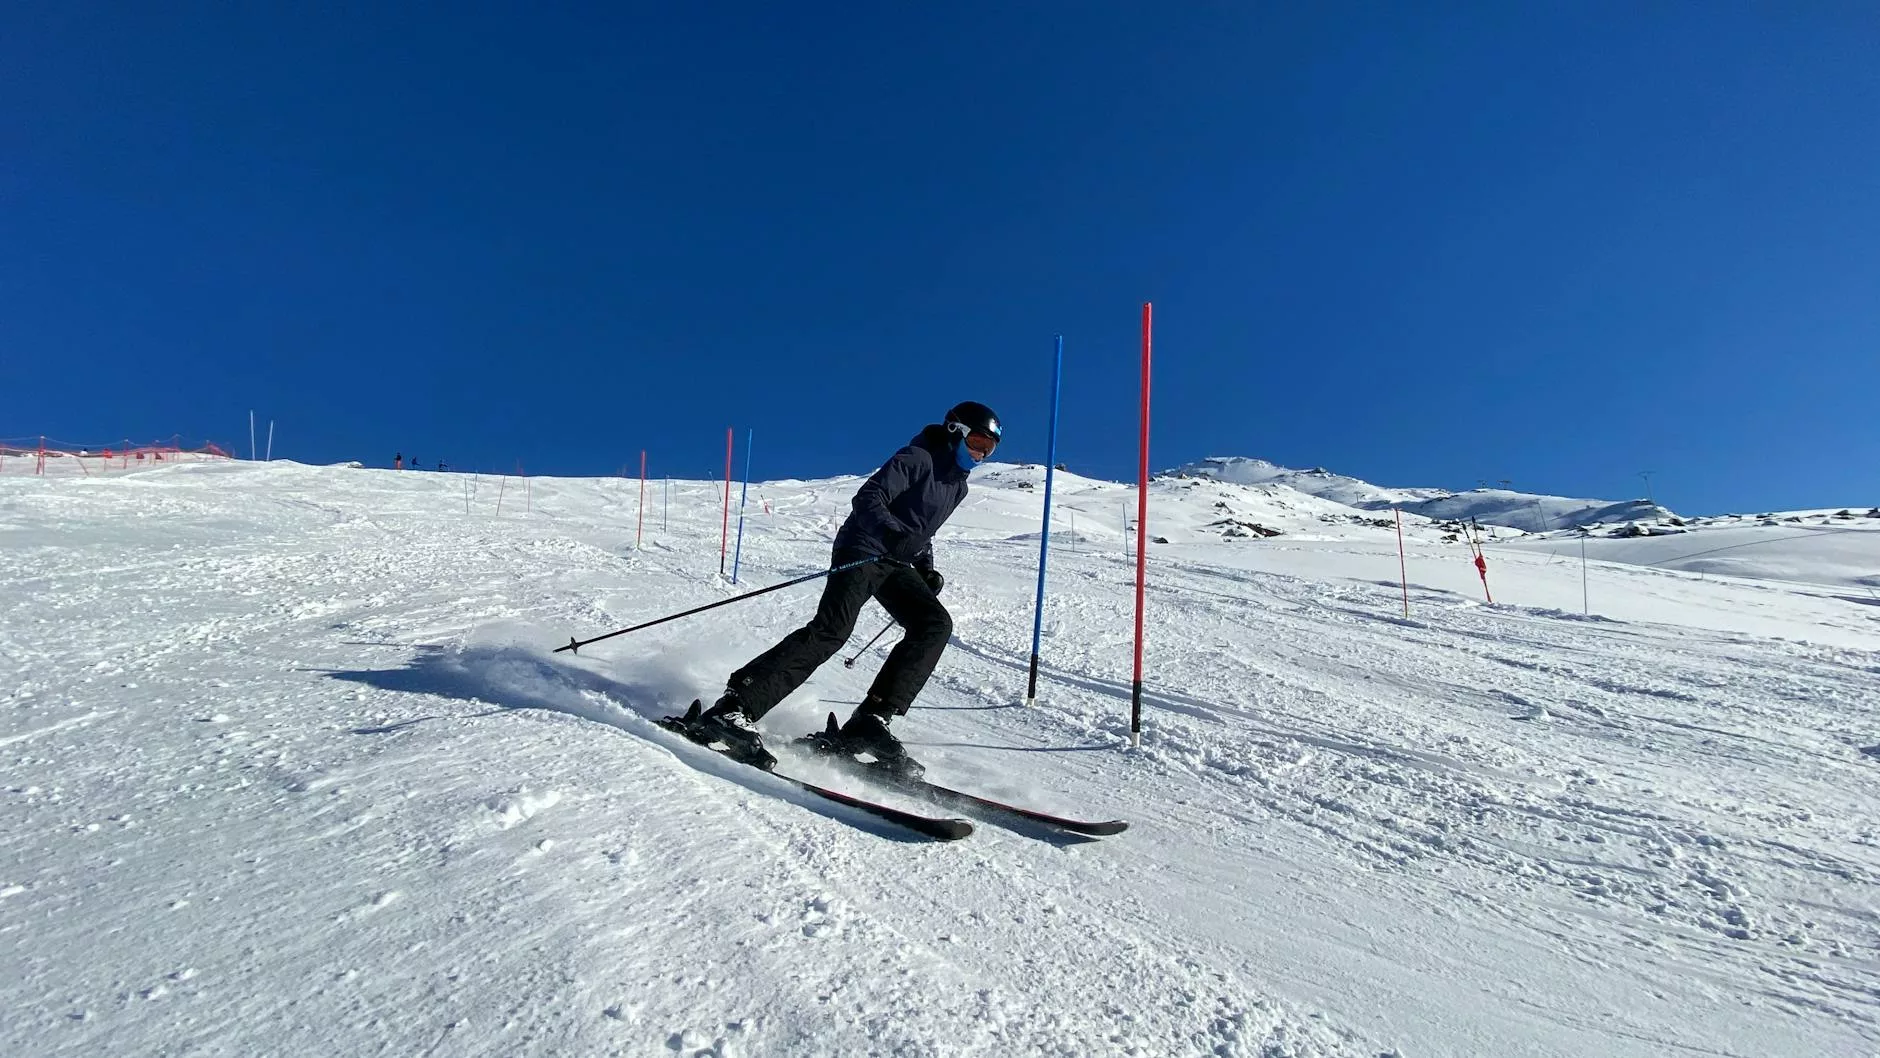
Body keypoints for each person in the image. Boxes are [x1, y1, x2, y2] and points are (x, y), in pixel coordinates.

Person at [688, 401, 1002, 777]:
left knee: (933, 625)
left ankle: (868, 723)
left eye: (989, 448)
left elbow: (923, 531)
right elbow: (869, 498)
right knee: (832, 630)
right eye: (978, 442)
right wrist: (891, 535)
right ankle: (733, 709)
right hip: (862, 546)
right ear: (956, 431)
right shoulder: (918, 457)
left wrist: (926, 568)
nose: (981, 453)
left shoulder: (958, 486)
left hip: (895, 561)